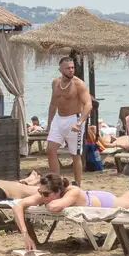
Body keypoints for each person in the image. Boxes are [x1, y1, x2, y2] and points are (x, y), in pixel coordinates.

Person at [7, 171, 129, 256]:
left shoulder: (73, 191)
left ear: (58, 192)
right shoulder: (48, 193)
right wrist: (25, 234)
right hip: (92, 195)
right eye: (40, 192)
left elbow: (55, 206)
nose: (42, 195)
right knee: (127, 197)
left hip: (104, 202)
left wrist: (43, 201)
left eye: (46, 193)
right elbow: (18, 206)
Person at [45, 56, 92, 187]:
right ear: (60, 69)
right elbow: (53, 104)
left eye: (72, 68)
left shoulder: (79, 84)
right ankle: (56, 183)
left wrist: (80, 122)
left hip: (74, 119)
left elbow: (88, 104)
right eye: (68, 68)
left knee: (75, 155)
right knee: (50, 150)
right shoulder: (55, 83)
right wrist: (49, 123)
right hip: (58, 119)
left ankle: (77, 185)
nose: (71, 70)